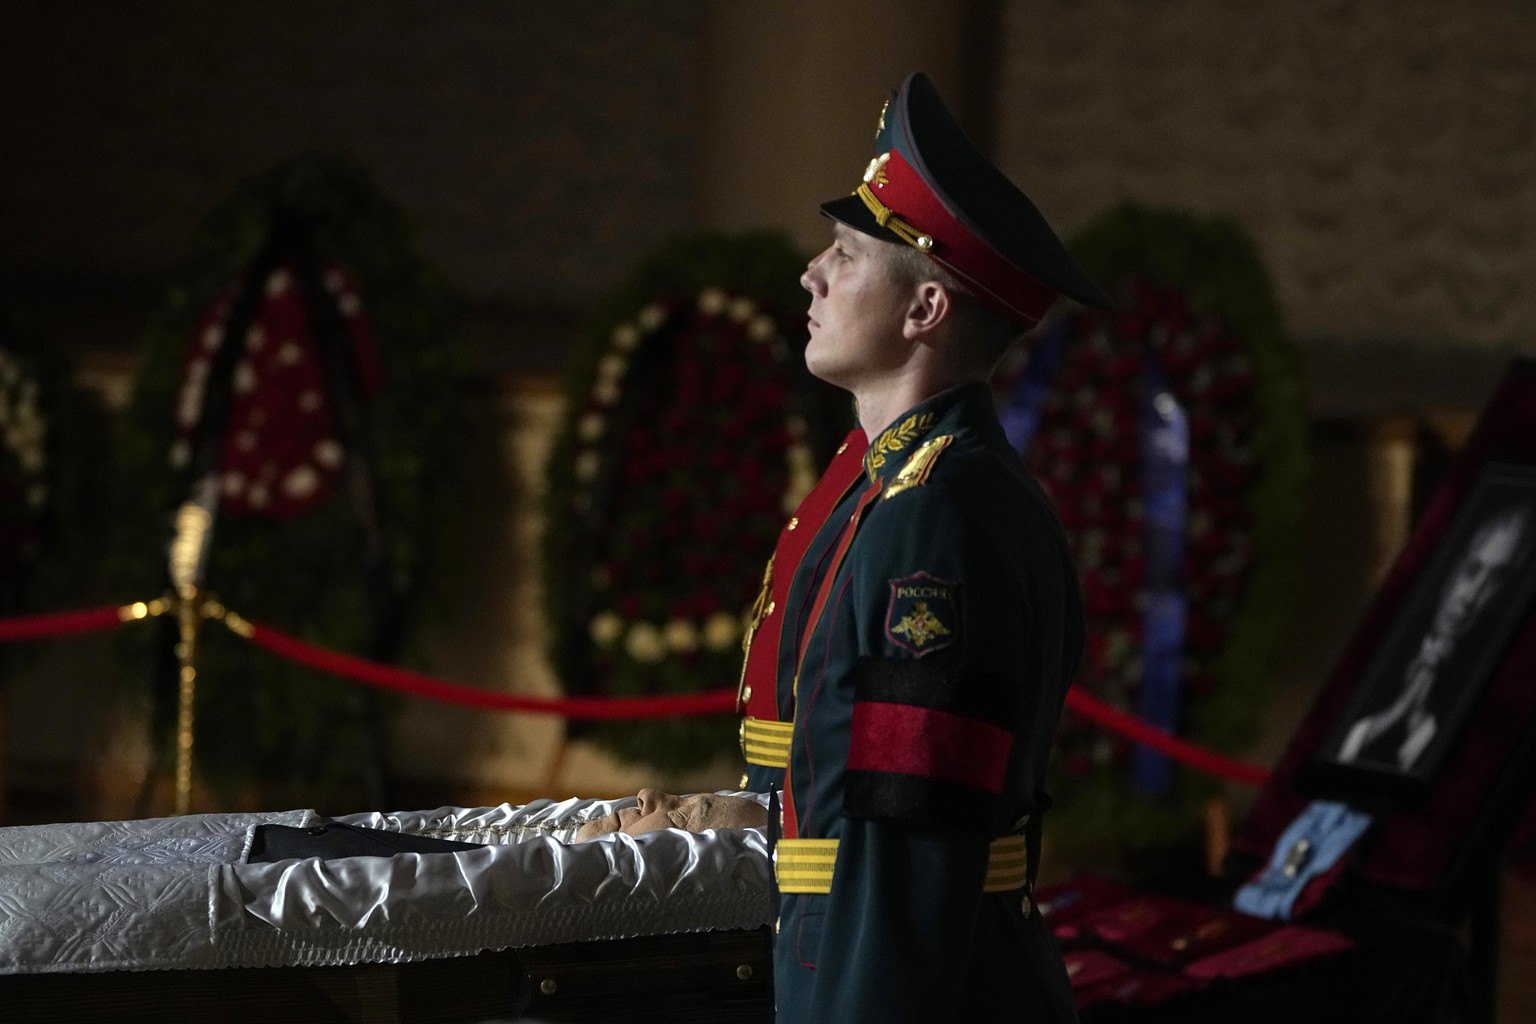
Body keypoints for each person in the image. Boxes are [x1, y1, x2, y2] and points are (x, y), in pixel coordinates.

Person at [764, 72, 1111, 1023]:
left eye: (843, 253)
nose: (812, 274)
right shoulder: (913, 486)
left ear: (923, 312)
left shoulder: (937, 516)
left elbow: (909, 840)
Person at [1338, 507, 1529, 771]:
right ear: (1450, 570)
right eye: (1472, 571)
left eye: (1494, 581)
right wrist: (1394, 714)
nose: (1470, 598)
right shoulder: (1389, 640)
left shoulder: (1492, 682)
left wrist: (1420, 725)